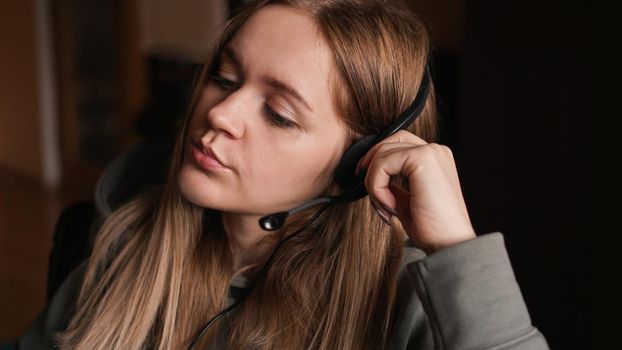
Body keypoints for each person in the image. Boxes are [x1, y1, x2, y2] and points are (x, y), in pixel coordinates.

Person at [17, 0, 550, 349]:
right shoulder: (130, 237)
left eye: (279, 114)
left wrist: (457, 247)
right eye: (224, 78)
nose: (219, 114)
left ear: (358, 161)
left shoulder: (407, 304)